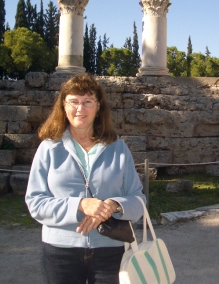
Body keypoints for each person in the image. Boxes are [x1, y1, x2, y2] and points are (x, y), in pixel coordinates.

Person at [25, 73, 145, 284]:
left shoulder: (118, 148)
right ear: (63, 106)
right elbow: (35, 203)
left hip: (111, 250)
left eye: (88, 102)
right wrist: (80, 204)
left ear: (98, 107)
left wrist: (114, 205)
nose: (80, 109)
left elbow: (139, 200)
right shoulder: (49, 149)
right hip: (61, 252)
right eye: (74, 102)